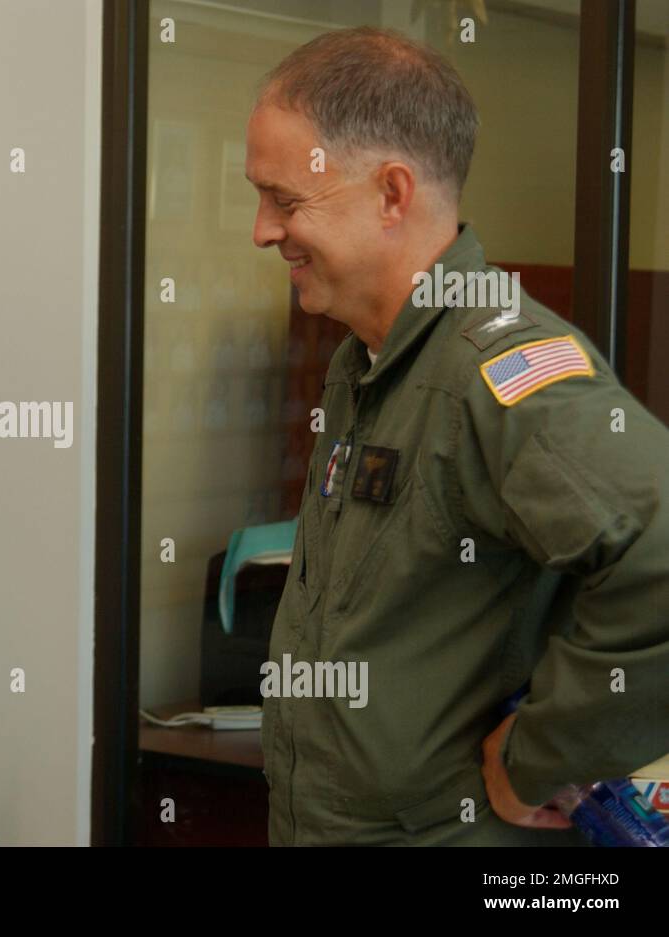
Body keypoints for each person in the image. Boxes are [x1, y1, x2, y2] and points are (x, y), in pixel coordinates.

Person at [246, 27, 669, 845]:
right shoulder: (368, 361)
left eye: (285, 199)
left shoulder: (495, 369)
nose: (263, 230)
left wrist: (540, 755)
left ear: (392, 194)